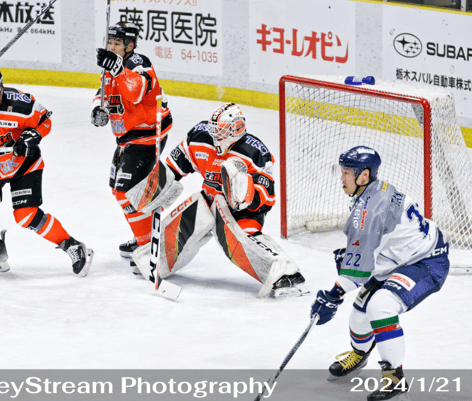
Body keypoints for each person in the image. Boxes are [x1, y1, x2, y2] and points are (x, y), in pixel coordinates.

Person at [311, 146, 450, 401]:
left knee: (381, 307)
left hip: (427, 261)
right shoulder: (374, 189)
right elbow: (375, 242)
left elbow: (359, 270)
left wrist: (333, 295)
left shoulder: (372, 210)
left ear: (364, 175)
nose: (342, 178)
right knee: (359, 316)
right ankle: (360, 354)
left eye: (346, 173)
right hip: (399, 258)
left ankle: (394, 378)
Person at [130, 102, 307, 298]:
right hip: (209, 201)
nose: (215, 136)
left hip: (242, 212)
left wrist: (246, 194)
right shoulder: (200, 137)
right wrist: (156, 185)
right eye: (214, 129)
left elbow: (267, 198)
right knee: (191, 215)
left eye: (221, 131)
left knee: (239, 240)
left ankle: (285, 272)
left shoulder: (255, 153)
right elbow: (173, 166)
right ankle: (154, 259)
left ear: (237, 128)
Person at [0, 66, 93, 276]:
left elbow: (45, 121)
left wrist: (33, 136)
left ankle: (72, 245)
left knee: (25, 215)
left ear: (0, 91)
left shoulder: (20, 104)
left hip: (24, 165)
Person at [91, 21, 173, 258]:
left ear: (130, 45)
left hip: (147, 136)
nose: (112, 47)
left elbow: (135, 92)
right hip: (126, 138)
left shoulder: (139, 63)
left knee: (126, 192)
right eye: (110, 42)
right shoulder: (110, 68)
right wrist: (98, 108)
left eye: (117, 43)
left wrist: (118, 70)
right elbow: (103, 93)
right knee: (118, 190)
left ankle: (147, 244)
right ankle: (144, 237)